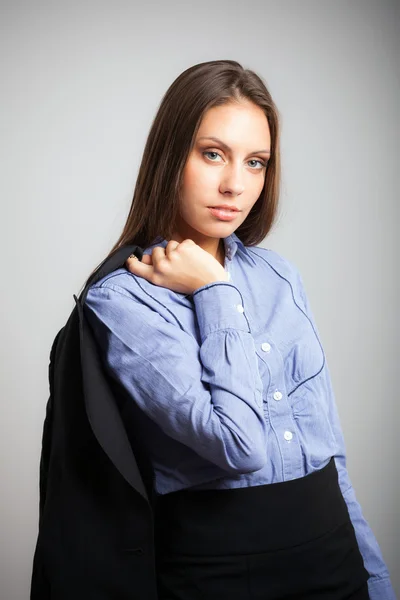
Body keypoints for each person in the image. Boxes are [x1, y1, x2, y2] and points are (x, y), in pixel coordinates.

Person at [82, 60, 395, 599]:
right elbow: (239, 445)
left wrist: (377, 579)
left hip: (334, 557)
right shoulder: (123, 300)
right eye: (212, 154)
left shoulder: (280, 276)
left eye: (255, 163)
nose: (234, 185)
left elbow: (329, 454)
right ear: (170, 156)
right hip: (221, 574)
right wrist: (213, 291)